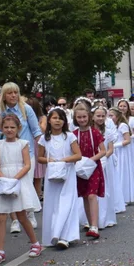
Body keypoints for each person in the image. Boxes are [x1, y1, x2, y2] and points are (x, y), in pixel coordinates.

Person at [0, 83, 42, 235]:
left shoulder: (26, 108)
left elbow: (36, 130)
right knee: (9, 185)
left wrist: (43, 150)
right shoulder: (0, 110)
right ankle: (14, 219)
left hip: (26, 151)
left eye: (15, 92)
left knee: (25, 185)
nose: (13, 95)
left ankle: (29, 214)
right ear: (4, 95)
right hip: (7, 153)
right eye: (10, 93)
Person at [0, 114, 42, 264]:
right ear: (2, 128)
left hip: (18, 179)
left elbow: (27, 164)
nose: (9, 130)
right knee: (1, 216)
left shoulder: (23, 143)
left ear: (18, 128)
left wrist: (15, 178)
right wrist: (3, 177)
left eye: (12, 127)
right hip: (3, 180)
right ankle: (0, 250)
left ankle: (35, 243)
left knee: (21, 215)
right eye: (6, 127)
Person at [38, 108, 84, 249]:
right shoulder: (44, 138)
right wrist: (49, 160)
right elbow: (39, 157)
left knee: (67, 203)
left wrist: (64, 160)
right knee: (53, 203)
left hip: (68, 174)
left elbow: (78, 155)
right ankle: (53, 233)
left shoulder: (69, 136)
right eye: (54, 118)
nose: (57, 121)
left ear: (64, 121)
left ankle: (66, 236)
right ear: (49, 120)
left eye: (60, 118)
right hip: (52, 174)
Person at [73, 102, 107, 239]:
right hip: (79, 167)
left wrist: (91, 159)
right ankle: (89, 222)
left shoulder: (95, 132)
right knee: (85, 196)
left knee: (92, 195)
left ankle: (94, 225)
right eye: (79, 117)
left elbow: (103, 151)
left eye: (84, 117)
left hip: (93, 167)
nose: (82, 120)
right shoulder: (73, 135)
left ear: (89, 117)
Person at [93, 106, 119, 229]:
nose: (100, 118)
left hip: (104, 162)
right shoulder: (89, 130)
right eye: (98, 116)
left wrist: (102, 158)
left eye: (103, 116)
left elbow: (110, 149)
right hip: (91, 162)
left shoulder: (108, 131)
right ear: (93, 116)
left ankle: (104, 217)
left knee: (103, 190)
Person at [111, 107, 134, 203]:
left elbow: (128, 140)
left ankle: (125, 196)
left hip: (122, 151)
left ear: (117, 117)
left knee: (122, 172)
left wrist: (115, 145)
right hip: (115, 151)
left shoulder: (122, 125)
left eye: (111, 116)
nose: (110, 118)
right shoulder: (111, 126)